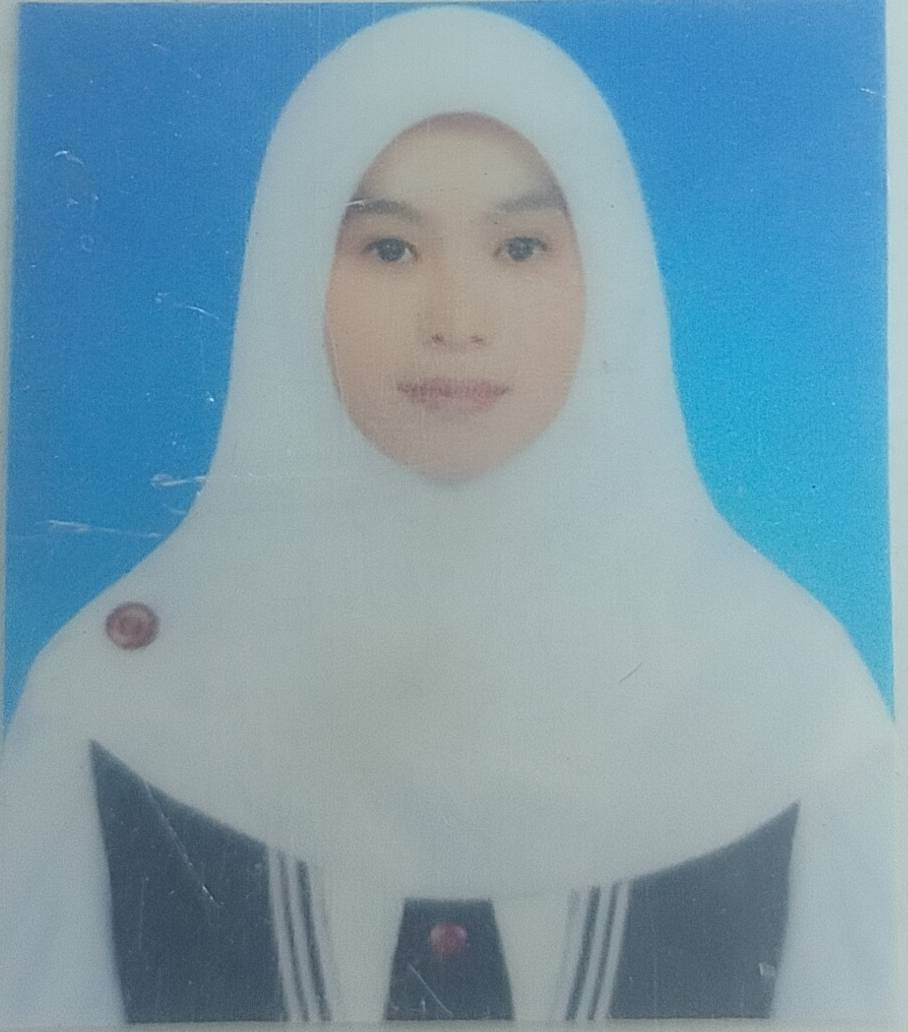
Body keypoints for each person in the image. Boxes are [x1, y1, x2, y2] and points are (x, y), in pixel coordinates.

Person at [0, 5, 894, 1025]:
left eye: (519, 248)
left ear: (610, 278)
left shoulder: (794, 708)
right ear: (293, 273)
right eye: (389, 249)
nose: (455, 321)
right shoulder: (108, 713)